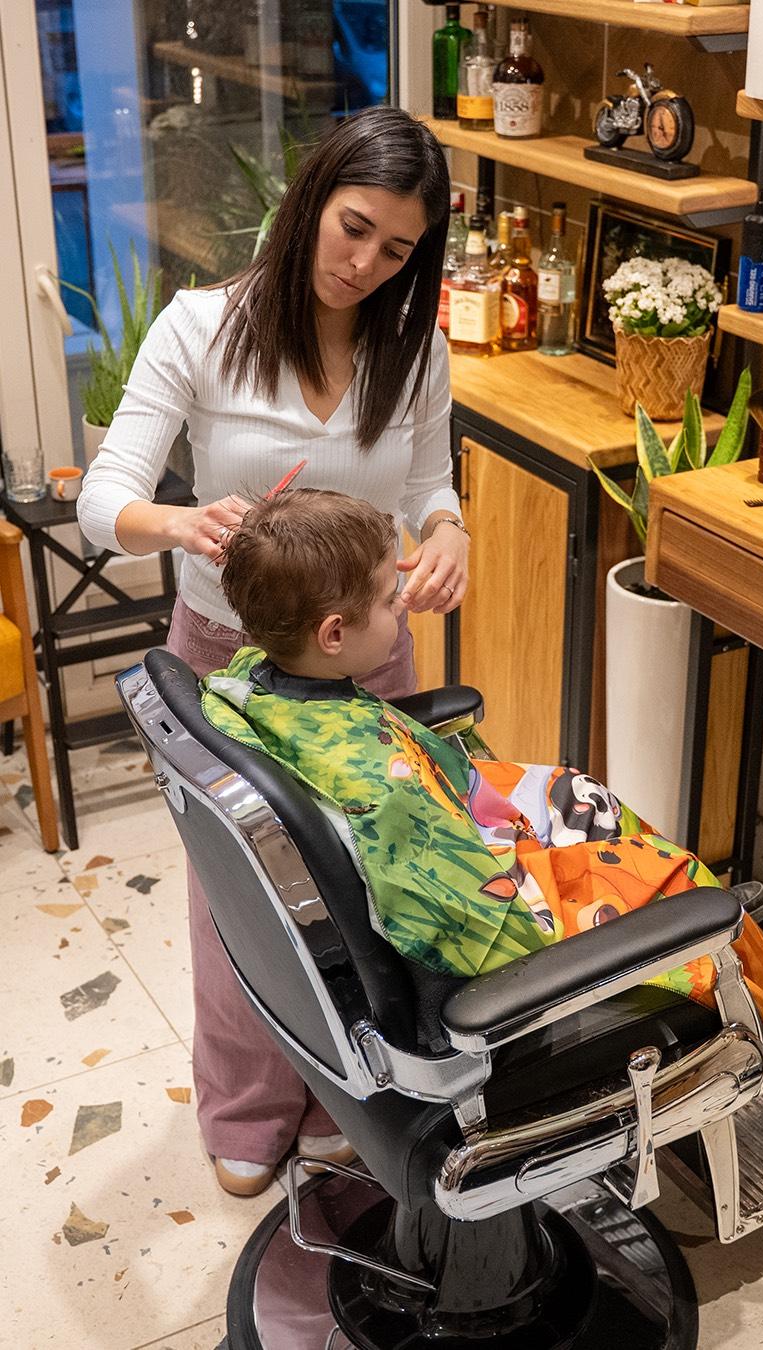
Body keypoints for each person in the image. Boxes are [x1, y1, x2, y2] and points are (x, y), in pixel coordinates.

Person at [77, 108, 468, 1195]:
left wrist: (448, 531)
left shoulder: (413, 348)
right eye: (352, 228)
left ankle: (349, 1091)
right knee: (241, 892)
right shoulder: (203, 327)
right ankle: (248, 1104)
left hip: (363, 662)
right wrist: (183, 525)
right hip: (224, 657)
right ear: (309, 203)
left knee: (364, 889)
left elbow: (433, 485)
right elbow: (104, 499)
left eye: (396, 250)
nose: (363, 264)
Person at [202, 489, 763, 1089]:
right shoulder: (382, 789)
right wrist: (630, 935)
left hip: (465, 842)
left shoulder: (253, 678)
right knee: (666, 880)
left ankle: (720, 922)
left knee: (573, 791)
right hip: (496, 929)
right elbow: (475, 931)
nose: (402, 608)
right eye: (387, 600)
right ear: (333, 634)